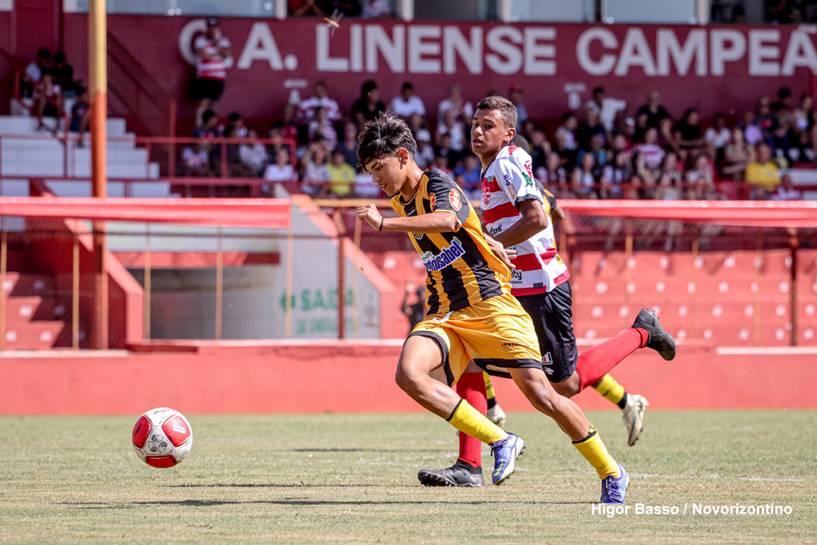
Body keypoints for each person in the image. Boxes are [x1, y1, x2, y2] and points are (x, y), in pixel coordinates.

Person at [355, 111, 633, 503]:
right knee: (409, 374)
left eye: (378, 168)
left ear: (403, 156)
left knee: (546, 396)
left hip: (490, 306)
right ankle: (501, 441)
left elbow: (450, 219)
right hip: (446, 313)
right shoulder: (400, 200)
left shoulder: (436, 183)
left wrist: (384, 225)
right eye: (369, 172)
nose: (375, 180)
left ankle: (611, 471)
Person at [417, 96, 675, 489]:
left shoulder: (507, 161)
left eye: (488, 125)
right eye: (475, 123)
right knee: (470, 359)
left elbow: (537, 217)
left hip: (540, 289)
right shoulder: (493, 169)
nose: (477, 130)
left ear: (509, 133)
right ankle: (469, 465)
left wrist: (489, 243)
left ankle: (642, 332)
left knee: (565, 385)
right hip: (511, 288)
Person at [193, 18, 232, 126]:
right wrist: (218, 55)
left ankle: (212, 127)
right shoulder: (200, 40)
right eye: (210, 27)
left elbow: (228, 54)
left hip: (218, 77)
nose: (212, 30)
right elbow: (203, 55)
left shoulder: (223, 41)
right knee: (203, 102)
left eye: (214, 27)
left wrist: (217, 44)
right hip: (204, 76)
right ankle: (199, 126)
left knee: (215, 103)